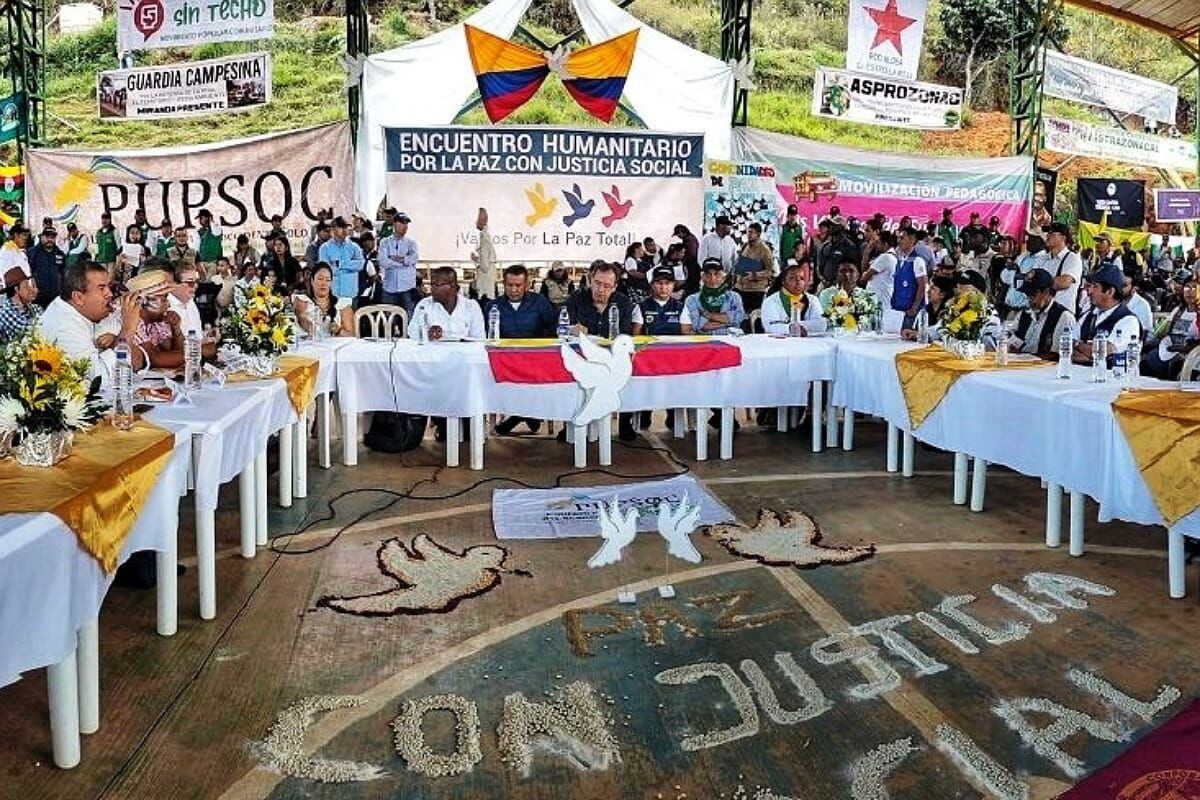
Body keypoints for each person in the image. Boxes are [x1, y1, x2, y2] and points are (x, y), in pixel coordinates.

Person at [40, 262, 149, 387]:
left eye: (108, 286)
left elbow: (137, 366)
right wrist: (128, 330)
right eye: (102, 288)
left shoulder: (91, 314)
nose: (110, 294)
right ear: (78, 298)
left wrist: (119, 340)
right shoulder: (63, 326)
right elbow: (99, 381)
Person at [563, 261, 637, 441]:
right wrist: (572, 329)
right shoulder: (575, 299)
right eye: (596, 283)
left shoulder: (623, 303)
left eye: (606, 285)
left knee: (630, 373)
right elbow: (562, 329)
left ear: (615, 286)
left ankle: (624, 421)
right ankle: (570, 423)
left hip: (613, 359)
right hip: (584, 356)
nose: (600, 289)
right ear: (589, 281)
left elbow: (624, 335)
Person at [490, 264, 558, 436]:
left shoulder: (540, 302)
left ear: (527, 285)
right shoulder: (493, 306)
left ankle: (518, 416)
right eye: (509, 285)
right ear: (503, 284)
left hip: (535, 359)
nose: (513, 290)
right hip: (503, 361)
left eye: (518, 285)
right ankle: (530, 416)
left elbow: (553, 329)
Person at [1073, 263, 1141, 365]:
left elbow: (1104, 351)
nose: (1089, 291)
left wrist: (1077, 345)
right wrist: (1086, 352)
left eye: (1095, 286)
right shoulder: (1088, 315)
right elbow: (1066, 346)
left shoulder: (1128, 321)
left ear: (1110, 291)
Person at [1009, 268, 1075, 358]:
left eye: (1033, 295)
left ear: (1047, 292)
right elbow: (1011, 343)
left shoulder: (1063, 317)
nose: (1029, 299)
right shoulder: (1024, 314)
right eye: (1027, 295)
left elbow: (1058, 355)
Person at [1141, 274, 1197, 379]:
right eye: (1187, 287)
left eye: (1195, 287)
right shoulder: (1179, 310)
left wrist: (1186, 348)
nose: (1190, 291)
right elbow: (1164, 331)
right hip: (1169, 349)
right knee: (1146, 362)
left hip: (1191, 356)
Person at [127, 269, 185, 369]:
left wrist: (176, 330)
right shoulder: (132, 320)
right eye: (163, 299)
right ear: (143, 302)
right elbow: (156, 359)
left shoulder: (158, 322)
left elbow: (174, 353)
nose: (169, 304)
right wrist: (197, 352)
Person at [410, 266, 483, 341]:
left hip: (463, 351)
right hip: (433, 351)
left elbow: (478, 339)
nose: (432, 289)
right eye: (431, 285)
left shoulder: (471, 307)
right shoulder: (424, 305)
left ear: (452, 286)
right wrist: (427, 333)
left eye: (436, 285)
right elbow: (412, 332)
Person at [762, 260, 826, 336]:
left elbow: (821, 325)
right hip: (780, 344)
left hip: (808, 343)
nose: (798, 281)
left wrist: (794, 326)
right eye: (792, 278)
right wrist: (790, 328)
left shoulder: (812, 300)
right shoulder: (771, 301)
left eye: (802, 278)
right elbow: (770, 327)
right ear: (783, 281)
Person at [685, 258, 745, 335]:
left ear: (723, 278)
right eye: (708, 274)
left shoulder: (734, 297)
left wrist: (708, 315)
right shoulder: (692, 299)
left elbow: (738, 319)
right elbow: (698, 325)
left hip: (731, 339)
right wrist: (728, 322)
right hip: (705, 340)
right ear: (702, 277)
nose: (712, 278)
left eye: (716, 274)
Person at [294, 263, 355, 338]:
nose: (324, 283)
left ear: (331, 283)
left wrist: (339, 330)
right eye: (320, 279)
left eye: (328, 280)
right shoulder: (302, 300)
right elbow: (302, 320)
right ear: (312, 281)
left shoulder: (342, 304)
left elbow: (351, 335)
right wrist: (310, 327)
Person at [378, 212, 420, 314]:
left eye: (406, 223)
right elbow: (383, 262)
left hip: (407, 287)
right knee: (389, 319)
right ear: (394, 224)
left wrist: (393, 258)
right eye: (402, 223)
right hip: (389, 287)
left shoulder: (411, 243)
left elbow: (414, 259)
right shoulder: (385, 242)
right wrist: (404, 262)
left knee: (408, 316)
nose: (405, 226)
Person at [633, 266, 693, 337]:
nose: (663, 287)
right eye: (659, 283)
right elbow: (636, 336)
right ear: (652, 285)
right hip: (649, 347)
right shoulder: (641, 307)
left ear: (673, 285)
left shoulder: (681, 307)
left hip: (674, 346)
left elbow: (687, 335)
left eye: (667, 283)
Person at [318, 217, 364, 309]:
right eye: (341, 227)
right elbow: (326, 270)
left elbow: (360, 265)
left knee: (351, 321)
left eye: (346, 227)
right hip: (333, 293)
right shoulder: (325, 248)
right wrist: (350, 267)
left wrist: (340, 264)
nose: (344, 230)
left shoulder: (354, 247)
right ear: (333, 229)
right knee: (333, 322)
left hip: (351, 293)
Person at [734, 222, 773, 318]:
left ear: (758, 234)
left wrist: (755, 275)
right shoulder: (745, 246)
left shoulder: (764, 250)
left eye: (751, 232)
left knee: (752, 317)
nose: (748, 235)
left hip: (755, 290)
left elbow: (770, 272)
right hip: (741, 288)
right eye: (748, 232)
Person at [1042, 222, 1083, 313]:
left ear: (1063, 238)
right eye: (1047, 233)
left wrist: (1039, 280)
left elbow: (1064, 282)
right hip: (1042, 313)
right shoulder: (1043, 258)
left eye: (1051, 233)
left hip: (1062, 315)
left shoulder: (1072, 258)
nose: (1047, 236)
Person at [892, 228, 928, 328]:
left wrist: (914, 307)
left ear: (912, 240)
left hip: (910, 312)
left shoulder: (918, 261)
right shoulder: (900, 260)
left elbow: (922, 285)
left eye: (902, 238)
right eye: (898, 238)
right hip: (898, 309)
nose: (898, 241)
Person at [0, 263, 41, 341]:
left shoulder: (31, 306)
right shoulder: (6, 311)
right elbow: (31, 331)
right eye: (26, 287)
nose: (30, 290)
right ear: (16, 290)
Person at [816, 217, 860, 288]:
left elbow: (853, 268)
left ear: (841, 227)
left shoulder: (849, 246)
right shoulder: (825, 245)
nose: (831, 227)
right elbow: (819, 266)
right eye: (830, 225)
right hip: (823, 284)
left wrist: (835, 282)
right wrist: (823, 280)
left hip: (842, 286)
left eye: (834, 225)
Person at [28, 226, 66, 308]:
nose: (50, 239)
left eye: (52, 237)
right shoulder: (32, 253)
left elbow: (64, 274)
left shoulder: (60, 254)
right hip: (38, 298)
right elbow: (28, 274)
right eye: (47, 236)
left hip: (56, 298)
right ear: (42, 237)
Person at [861, 230, 897, 310]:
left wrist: (868, 250)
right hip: (880, 298)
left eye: (878, 242)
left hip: (878, 299)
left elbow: (864, 277)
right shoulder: (890, 256)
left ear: (885, 244)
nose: (876, 245)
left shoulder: (885, 257)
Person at [168, 263, 205, 338]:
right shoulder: (166, 307)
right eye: (190, 283)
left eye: (196, 282)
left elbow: (197, 335)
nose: (196, 286)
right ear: (174, 284)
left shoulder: (191, 302)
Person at [470, 208, 497, 303]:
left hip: (485, 289)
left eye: (478, 219)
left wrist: (476, 261)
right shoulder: (486, 236)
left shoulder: (484, 239)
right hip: (487, 287)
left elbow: (485, 266)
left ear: (483, 220)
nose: (475, 222)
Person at [673, 224, 701, 295]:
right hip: (692, 266)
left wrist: (683, 260)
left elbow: (692, 255)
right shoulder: (689, 239)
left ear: (683, 232)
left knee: (691, 287)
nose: (678, 237)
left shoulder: (690, 240)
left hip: (693, 267)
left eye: (678, 234)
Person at [195, 209, 224, 277]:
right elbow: (196, 248)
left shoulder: (216, 228)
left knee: (211, 282)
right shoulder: (199, 232)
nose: (200, 220)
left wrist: (211, 221)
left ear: (207, 218)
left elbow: (216, 232)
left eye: (201, 218)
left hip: (214, 261)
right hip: (203, 262)